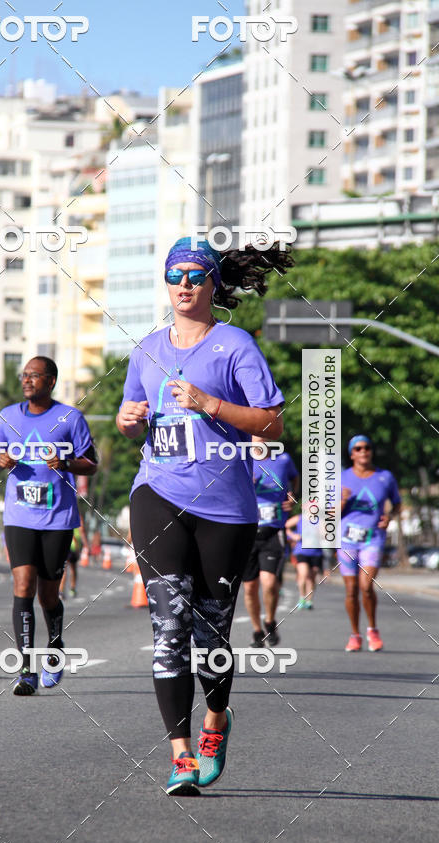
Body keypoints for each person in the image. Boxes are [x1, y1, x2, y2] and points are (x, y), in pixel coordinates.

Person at [117, 237, 291, 795]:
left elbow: (273, 425)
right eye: (176, 275)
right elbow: (132, 419)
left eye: (196, 275)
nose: (185, 284)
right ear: (165, 284)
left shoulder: (235, 345)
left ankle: (217, 721)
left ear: (214, 284)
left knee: (210, 631)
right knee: (168, 628)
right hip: (158, 493)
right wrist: (127, 420)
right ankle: (181, 756)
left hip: (225, 507)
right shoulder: (144, 349)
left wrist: (210, 404)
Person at [0, 356, 98, 694]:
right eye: (25, 376)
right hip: (19, 516)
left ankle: (55, 647)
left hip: (58, 518)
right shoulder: (7, 417)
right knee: (23, 585)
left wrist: (64, 462)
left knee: (49, 593)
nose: (27, 380)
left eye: (34, 376)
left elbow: (91, 463)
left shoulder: (70, 418)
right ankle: (25, 669)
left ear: (51, 381)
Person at [339, 435, 401, 652]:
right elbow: (330, 516)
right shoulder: (341, 478)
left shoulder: (385, 477)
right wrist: (343, 500)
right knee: (351, 590)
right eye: (358, 448)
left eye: (367, 447)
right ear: (351, 454)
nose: (363, 451)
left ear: (371, 451)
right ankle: (355, 634)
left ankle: (372, 629)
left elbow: (397, 504)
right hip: (346, 540)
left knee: (366, 586)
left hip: (372, 538)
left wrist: (390, 516)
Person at [242, 437, 298, 647]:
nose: (261, 438)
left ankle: (270, 620)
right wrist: (247, 485)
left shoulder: (282, 460)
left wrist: (292, 496)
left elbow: (294, 478)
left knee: (270, 583)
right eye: (256, 434)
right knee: (249, 588)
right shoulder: (242, 459)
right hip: (247, 532)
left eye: (264, 433)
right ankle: (257, 630)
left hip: (273, 530)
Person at [285, 512, 322, 610]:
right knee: (304, 574)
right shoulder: (299, 518)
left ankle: (309, 600)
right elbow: (285, 526)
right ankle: (302, 597)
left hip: (316, 552)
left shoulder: (321, 519)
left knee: (312, 577)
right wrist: (293, 535)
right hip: (301, 551)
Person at [60, 515, 87, 599]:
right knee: (72, 569)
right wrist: (86, 544)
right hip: (73, 546)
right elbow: (82, 531)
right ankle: (72, 588)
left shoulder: (66, 515)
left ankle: (61, 591)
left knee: (65, 569)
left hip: (66, 545)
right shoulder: (78, 517)